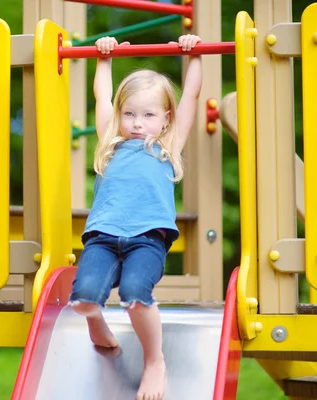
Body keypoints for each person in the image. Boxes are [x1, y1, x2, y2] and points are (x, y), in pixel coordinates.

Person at [68, 34, 203, 400]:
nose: (137, 122)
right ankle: (98, 324)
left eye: (148, 115)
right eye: (129, 113)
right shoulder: (109, 144)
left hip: (147, 239)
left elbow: (190, 97)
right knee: (82, 298)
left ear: (165, 119)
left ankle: (153, 362)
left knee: (134, 294)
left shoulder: (167, 148)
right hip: (103, 237)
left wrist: (194, 55)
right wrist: (104, 58)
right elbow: (101, 97)